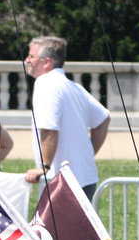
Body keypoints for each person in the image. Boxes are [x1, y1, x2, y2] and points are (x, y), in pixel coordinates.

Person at [23, 36, 111, 201]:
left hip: (63, 182)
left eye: (31, 56)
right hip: (85, 177)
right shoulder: (72, 86)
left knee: (54, 228)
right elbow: (103, 118)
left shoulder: (45, 83)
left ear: (46, 62)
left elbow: (49, 128)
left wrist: (44, 166)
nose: (27, 60)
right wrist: (86, 154)